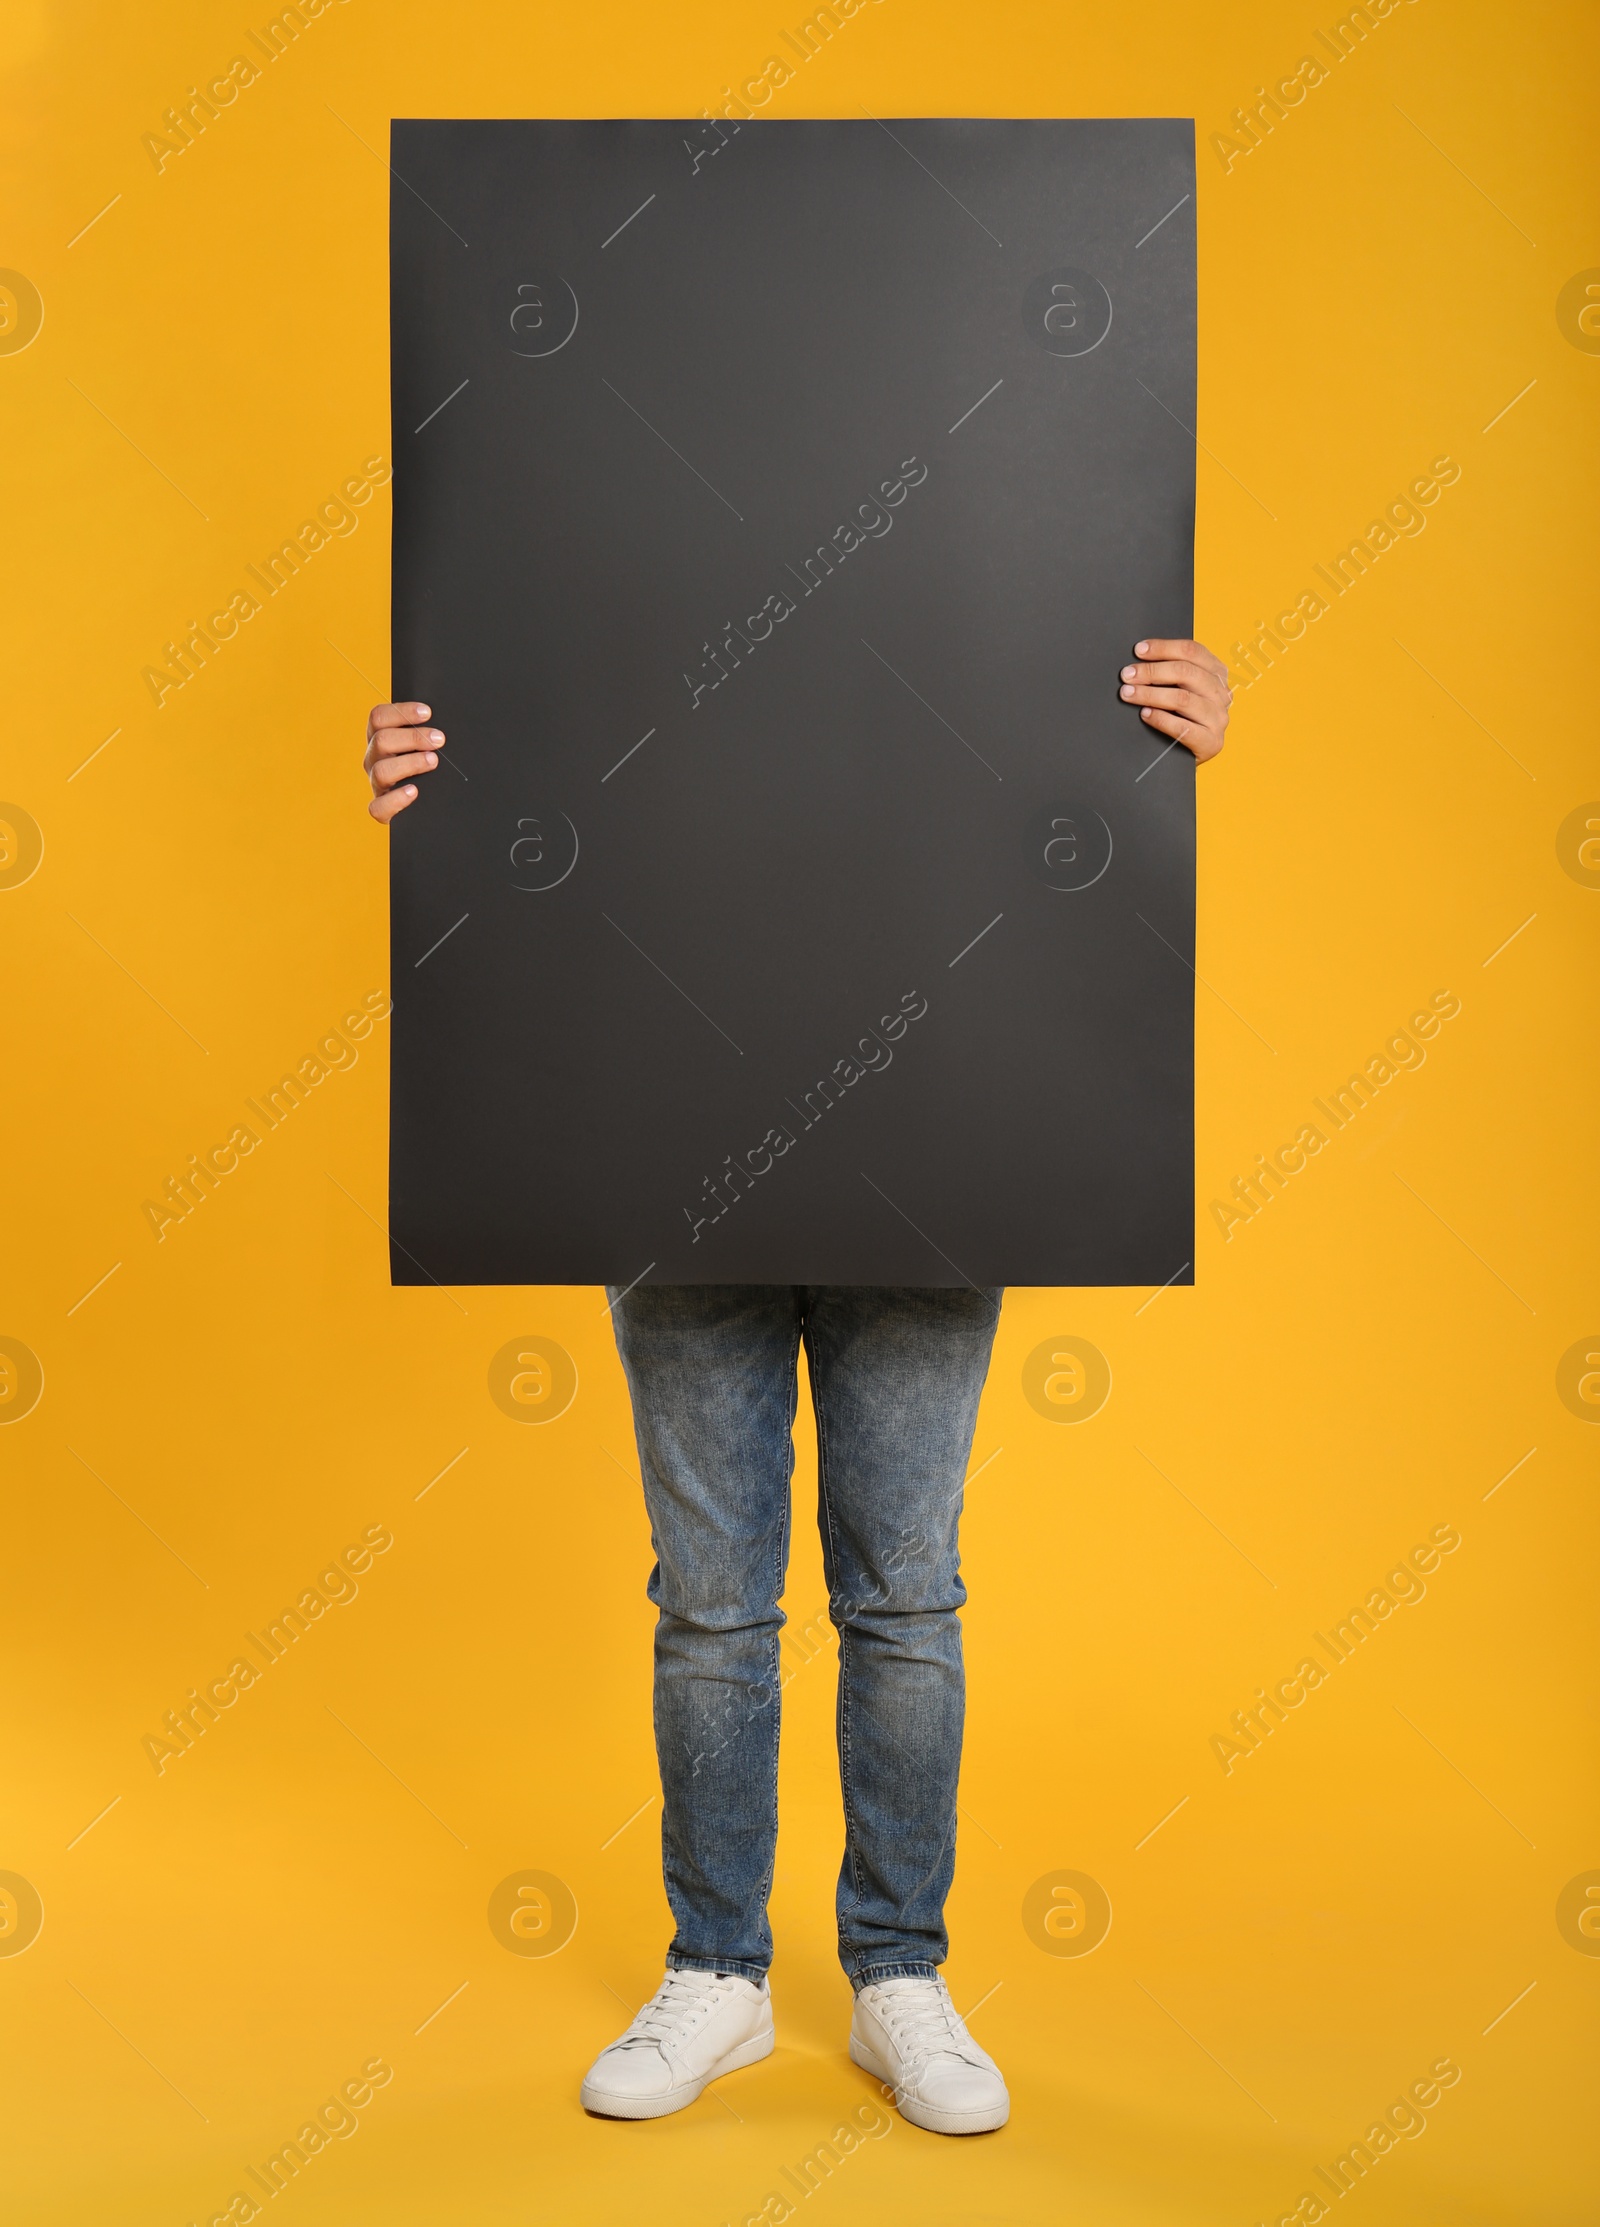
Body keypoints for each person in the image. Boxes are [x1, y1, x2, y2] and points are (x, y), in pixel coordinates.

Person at [365, 639, 1230, 2134]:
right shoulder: (626, 548)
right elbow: (580, 734)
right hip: (678, 1130)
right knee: (712, 1602)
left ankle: (900, 1973)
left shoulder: (987, 526)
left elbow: (1028, 762)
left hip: (933, 1124)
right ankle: (722, 1974)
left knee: (904, 1596)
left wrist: (1162, 749)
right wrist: (453, 780)